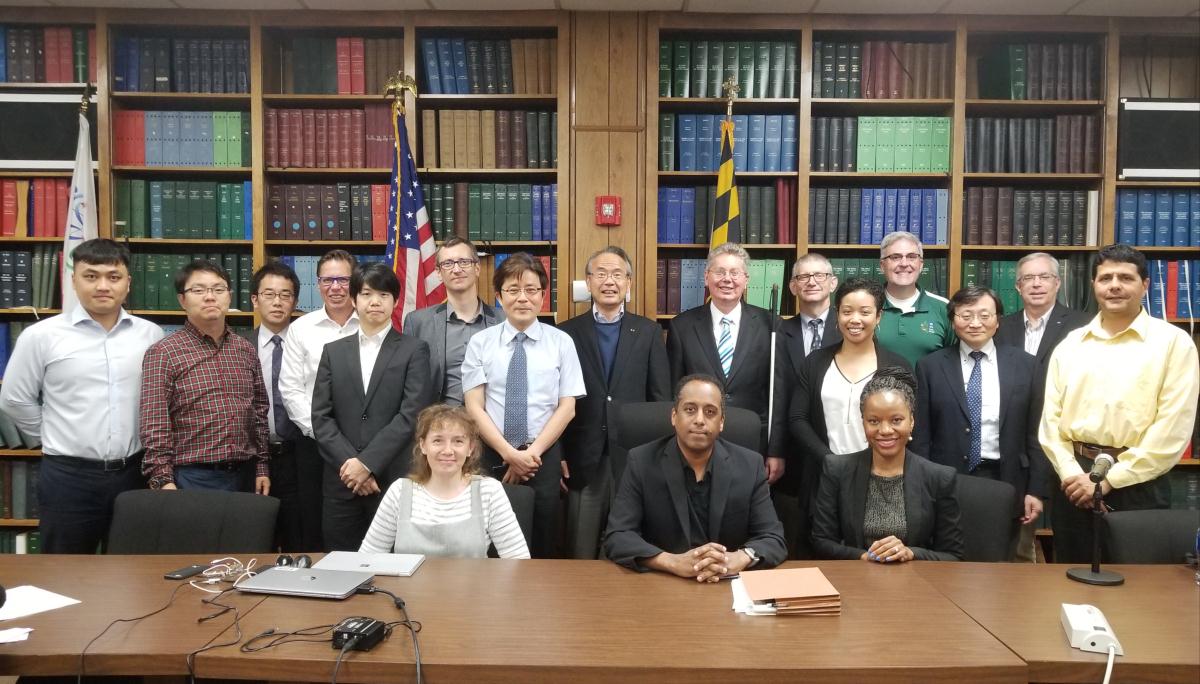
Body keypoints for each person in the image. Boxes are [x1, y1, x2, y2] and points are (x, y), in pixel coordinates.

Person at [1039, 244, 1199, 564]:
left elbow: (1172, 429)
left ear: (1145, 285)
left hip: (1138, 483)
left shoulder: (1173, 343)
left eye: (1125, 278)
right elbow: (1050, 423)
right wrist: (1073, 474)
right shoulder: (1071, 345)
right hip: (1074, 482)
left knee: (1138, 584)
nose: (1114, 285)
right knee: (1071, 575)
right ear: (1094, 285)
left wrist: (1109, 480)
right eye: (1105, 278)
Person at [0, 239, 163, 553]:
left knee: (134, 568)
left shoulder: (150, 334)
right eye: (91, 276)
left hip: (134, 473)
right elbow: (14, 399)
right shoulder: (42, 335)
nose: (103, 286)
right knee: (65, 569)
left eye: (113, 277)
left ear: (128, 283)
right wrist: (51, 436)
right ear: (73, 280)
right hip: (69, 478)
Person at [603, 374, 787, 580]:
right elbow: (618, 536)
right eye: (690, 410)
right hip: (662, 582)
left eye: (710, 412)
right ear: (674, 416)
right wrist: (672, 562)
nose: (700, 420)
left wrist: (740, 558)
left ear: (721, 422)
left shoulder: (750, 466)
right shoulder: (641, 462)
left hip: (726, 584)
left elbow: (773, 538)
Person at [463, 252, 584, 558]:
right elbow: (474, 406)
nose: (522, 298)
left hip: (541, 456)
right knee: (489, 542)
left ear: (543, 295)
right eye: (513, 290)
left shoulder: (562, 342)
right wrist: (509, 454)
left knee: (543, 539)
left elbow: (567, 407)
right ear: (499, 296)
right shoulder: (480, 343)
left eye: (531, 290)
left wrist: (529, 455)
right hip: (492, 453)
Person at [913, 286, 1048, 561]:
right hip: (948, 479)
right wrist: (922, 486)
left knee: (1006, 560)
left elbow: (1037, 433)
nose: (975, 323)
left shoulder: (1026, 365)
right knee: (948, 558)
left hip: (1006, 477)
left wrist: (1036, 489)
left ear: (998, 321)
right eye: (966, 315)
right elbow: (922, 435)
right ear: (953, 321)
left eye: (984, 315)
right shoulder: (930, 366)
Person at [311, 263, 432, 551]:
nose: (375, 301)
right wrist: (352, 466)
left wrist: (367, 464)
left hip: (391, 479)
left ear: (395, 301)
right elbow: (321, 417)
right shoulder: (333, 351)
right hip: (342, 481)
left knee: (394, 565)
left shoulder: (414, 350)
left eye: (383, 294)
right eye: (366, 294)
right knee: (341, 563)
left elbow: (411, 415)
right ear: (354, 300)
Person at [786, 277, 910, 558]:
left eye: (865, 312)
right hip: (823, 475)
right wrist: (830, 462)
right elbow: (797, 419)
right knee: (821, 553)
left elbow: (906, 425)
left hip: (881, 479)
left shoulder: (896, 367)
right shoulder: (815, 362)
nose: (855, 319)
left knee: (876, 556)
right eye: (847, 311)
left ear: (878, 316)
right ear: (837, 315)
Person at [560, 246, 671, 559]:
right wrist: (560, 454)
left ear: (629, 282)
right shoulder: (566, 333)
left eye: (617, 274)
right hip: (583, 456)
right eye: (601, 274)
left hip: (636, 456)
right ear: (588, 281)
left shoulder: (649, 332)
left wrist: (661, 455)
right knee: (580, 549)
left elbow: (660, 399)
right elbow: (556, 401)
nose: (609, 281)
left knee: (631, 548)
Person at [140, 260, 270, 493]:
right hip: (192, 476)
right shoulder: (163, 353)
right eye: (198, 290)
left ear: (229, 296)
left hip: (246, 473)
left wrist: (261, 467)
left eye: (218, 289)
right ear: (182, 300)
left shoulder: (245, 349)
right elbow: (154, 422)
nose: (210, 297)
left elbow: (259, 412)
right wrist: (162, 479)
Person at [811, 366, 963, 562]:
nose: (885, 430)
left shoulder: (939, 478)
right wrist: (865, 557)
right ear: (863, 422)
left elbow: (953, 555)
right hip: (856, 574)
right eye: (873, 421)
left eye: (896, 420)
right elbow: (822, 542)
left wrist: (911, 553)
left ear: (912, 421)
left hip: (914, 578)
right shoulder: (837, 469)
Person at [666, 242, 784, 484]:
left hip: (753, 440)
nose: (727, 279)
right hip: (696, 438)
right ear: (706, 277)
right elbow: (673, 391)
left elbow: (779, 393)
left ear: (746, 279)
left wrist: (776, 449)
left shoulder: (771, 324)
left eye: (734, 273)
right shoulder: (682, 326)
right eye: (719, 272)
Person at [359, 404, 530, 558]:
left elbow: (518, 561)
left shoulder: (489, 491)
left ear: (470, 448)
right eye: (438, 441)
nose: (448, 450)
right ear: (423, 446)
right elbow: (367, 559)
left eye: (458, 441)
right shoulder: (399, 492)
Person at [279, 249, 360, 550]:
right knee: (315, 520)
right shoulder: (301, 328)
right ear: (318, 283)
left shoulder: (371, 323)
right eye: (327, 280)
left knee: (362, 521)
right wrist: (324, 433)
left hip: (364, 442)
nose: (335, 287)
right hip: (315, 444)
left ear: (356, 281)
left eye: (343, 280)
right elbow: (291, 389)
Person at [402, 237, 504, 407]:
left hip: (492, 420)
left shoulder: (504, 320)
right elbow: (409, 384)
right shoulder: (418, 323)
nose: (457, 269)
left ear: (477, 268)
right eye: (448, 263)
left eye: (464, 262)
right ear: (438, 273)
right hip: (439, 420)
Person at [249, 261, 305, 551]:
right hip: (253, 457)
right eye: (269, 294)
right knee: (258, 540)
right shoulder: (239, 345)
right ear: (255, 300)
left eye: (285, 295)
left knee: (300, 537)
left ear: (294, 301)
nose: (277, 302)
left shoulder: (309, 343)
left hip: (300, 455)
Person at [994, 252, 1091, 381]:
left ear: (1057, 284)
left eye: (1044, 277)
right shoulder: (1000, 327)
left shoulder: (1083, 325)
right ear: (1018, 287)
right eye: (1028, 278)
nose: (1036, 284)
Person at [874, 231, 955, 366]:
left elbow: (954, 362)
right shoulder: (868, 306)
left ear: (921, 264)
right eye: (895, 257)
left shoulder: (944, 308)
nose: (904, 263)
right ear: (882, 266)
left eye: (912, 257)